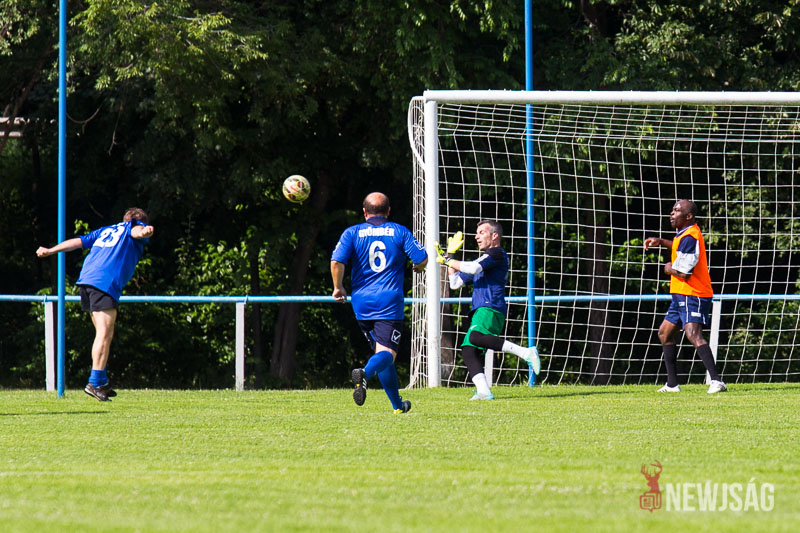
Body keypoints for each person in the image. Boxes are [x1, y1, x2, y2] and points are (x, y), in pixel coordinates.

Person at [36, 208, 155, 401]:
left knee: (104, 333)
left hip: (87, 280)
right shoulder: (133, 226)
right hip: (104, 283)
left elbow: (78, 242)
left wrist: (51, 250)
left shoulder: (106, 230)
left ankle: (102, 381)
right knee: (104, 334)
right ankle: (95, 382)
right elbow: (136, 231)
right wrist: (144, 231)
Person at [331, 192, 428, 413]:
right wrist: (419, 267)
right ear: (388, 211)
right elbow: (422, 258)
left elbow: (337, 261)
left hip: (361, 302)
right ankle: (364, 373)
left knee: (382, 352)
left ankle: (398, 406)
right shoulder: (399, 231)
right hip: (388, 302)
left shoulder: (352, 232)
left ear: (364, 212)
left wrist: (338, 286)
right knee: (388, 353)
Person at [436, 219, 540, 400]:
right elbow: (455, 283)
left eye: (482, 232)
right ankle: (484, 391)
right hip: (481, 309)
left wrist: (449, 260)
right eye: (477, 233)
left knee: (475, 337)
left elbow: (473, 267)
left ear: (494, 236)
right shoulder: (484, 260)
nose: (477, 237)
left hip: (490, 307)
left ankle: (526, 353)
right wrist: (450, 256)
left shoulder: (496, 254)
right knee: (468, 350)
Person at [644, 199, 726, 394]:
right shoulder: (684, 235)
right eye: (672, 210)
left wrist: (668, 269)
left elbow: (684, 273)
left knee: (693, 334)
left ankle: (717, 381)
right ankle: (672, 384)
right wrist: (661, 241)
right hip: (681, 294)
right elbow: (678, 247)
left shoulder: (691, 237)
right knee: (664, 333)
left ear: (688, 216)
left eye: (677, 210)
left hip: (693, 294)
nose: (672, 213)